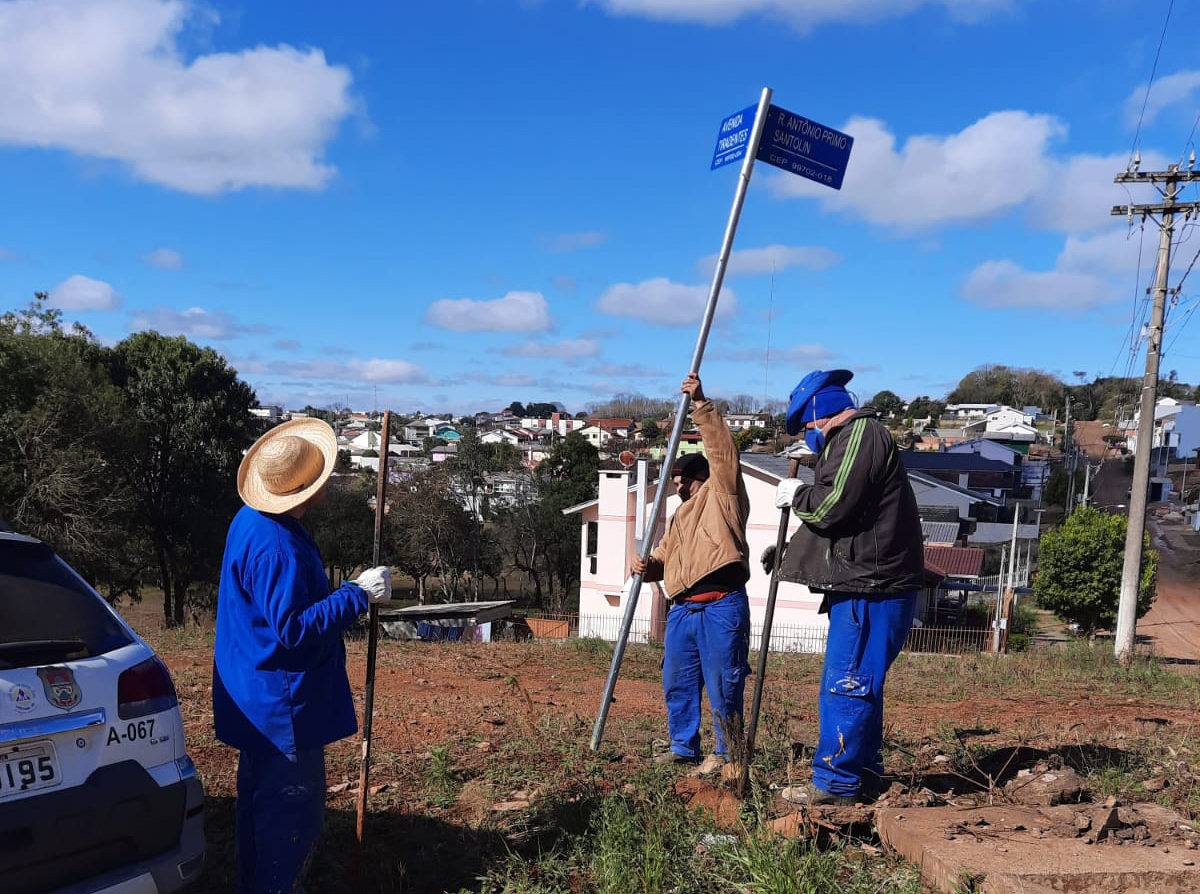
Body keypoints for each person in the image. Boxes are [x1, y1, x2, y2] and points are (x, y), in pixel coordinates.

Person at [212, 418, 392, 894]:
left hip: (254, 697)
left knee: (257, 813)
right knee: (288, 824)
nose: (329, 484)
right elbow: (293, 627)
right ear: (305, 490)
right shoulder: (277, 547)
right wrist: (356, 595)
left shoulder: (251, 520)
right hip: (281, 707)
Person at [770, 369, 924, 806]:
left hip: (871, 589)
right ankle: (863, 774)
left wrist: (798, 496)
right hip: (868, 583)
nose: (807, 436)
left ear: (819, 413)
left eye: (805, 426)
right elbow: (851, 510)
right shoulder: (852, 442)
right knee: (860, 684)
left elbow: (832, 508)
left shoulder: (861, 433)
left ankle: (836, 784)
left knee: (848, 682)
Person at [633, 373, 751, 770]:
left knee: (724, 685)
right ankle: (684, 748)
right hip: (682, 609)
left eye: (684, 481)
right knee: (678, 683)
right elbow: (665, 559)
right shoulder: (679, 516)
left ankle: (727, 754)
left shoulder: (724, 497)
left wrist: (701, 406)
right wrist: (648, 568)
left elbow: (722, 453)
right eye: (677, 482)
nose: (679, 488)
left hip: (721, 606)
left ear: (701, 479)